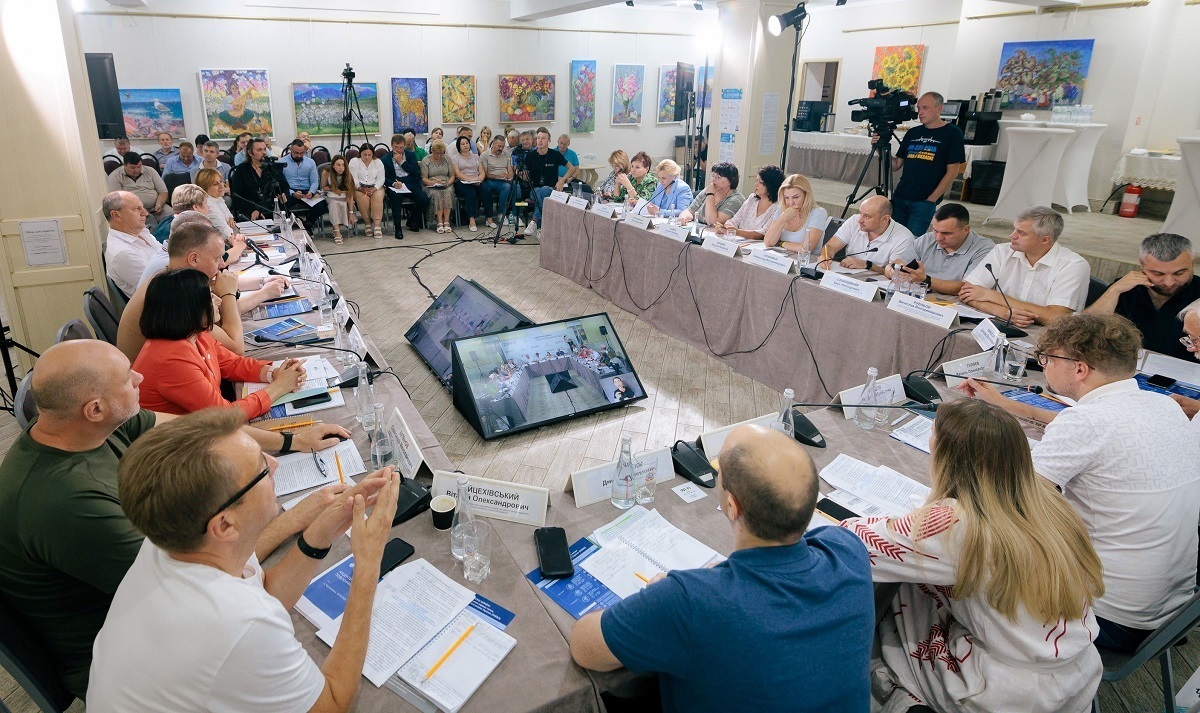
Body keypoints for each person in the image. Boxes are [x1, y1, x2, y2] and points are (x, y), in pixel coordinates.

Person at [0, 341, 350, 699]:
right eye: (127, 377)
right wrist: (295, 519)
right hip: (131, 658)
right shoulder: (68, 505)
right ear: (95, 409)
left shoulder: (87, 425)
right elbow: (200, 567)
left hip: (157, 601)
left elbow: (202, 431)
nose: (139, 377)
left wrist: (290, 441)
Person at [87, 409, 399, 711]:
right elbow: (332, 704)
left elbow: (263, 590)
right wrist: (368, 564)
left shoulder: (173, 538)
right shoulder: (239, 622)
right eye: (261, 469)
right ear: (224, 525)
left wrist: (319, 534)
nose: (274, 465)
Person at [569, 424, 873, 712]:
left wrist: (657, 600)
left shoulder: (686, 601)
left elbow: (584, 646)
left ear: (731, 506)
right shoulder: (848, 551)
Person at [957, 313, 1200, 653]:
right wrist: (1004, 404)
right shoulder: (1165, 406)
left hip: (1109, 616)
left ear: (1080, 369)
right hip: (1173, 614)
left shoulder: (1085, 422)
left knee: (961, 572)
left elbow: (1012, 505)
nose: (1044, 367)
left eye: (1047, 359)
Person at [842, 398, 1103, 712]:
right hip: (1078, 673)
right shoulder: (1048, 499)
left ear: (945, 457)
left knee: (897, 591)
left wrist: (910, 521)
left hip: (1006, 691)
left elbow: (855, 542)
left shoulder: (959, 524)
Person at [133, 268, 305, 418]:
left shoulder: (196, 333)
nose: (218, 300)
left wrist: (274, 373)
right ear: (188, 308)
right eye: (210, 296)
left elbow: (233, 364)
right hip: (179, 442)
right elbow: (224, 416)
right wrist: (279, 387)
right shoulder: (172, 359)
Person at [118, 220, 283, 361]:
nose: (222, 264)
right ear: (194, 259)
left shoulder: (172, 277)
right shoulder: (176, 293)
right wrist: (228, 294)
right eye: (217, 258)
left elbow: (222, 314)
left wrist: (264, 292)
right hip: (154, 383)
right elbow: (235, 349)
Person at [960, 206, 1090, 326]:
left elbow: (1057, 318)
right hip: (1001, 322)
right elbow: (966, 292)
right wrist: (1003, 312)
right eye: (1014, 229)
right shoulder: (1002, 251)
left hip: (1047, 334)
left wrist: (992, 296)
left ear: (1045, 240)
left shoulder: (1073, 265)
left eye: (1021, 233)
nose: (1012, 236)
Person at [1086, 232, 1200, 359]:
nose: (1169, 282)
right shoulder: (1126, 289)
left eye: (1179, 273)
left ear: (1192, 263)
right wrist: (1114, 291)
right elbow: (1085, 331)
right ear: (1142, 264)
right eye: (1158, 274)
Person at [887, 91, 966, 235]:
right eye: (919, 108)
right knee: (893, 238)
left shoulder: (952, 133)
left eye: (925, 108)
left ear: (939, 108)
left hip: (924, 201)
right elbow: (895, 165)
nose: (920, 112)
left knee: (913, 241)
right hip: (901, 196)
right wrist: (881, 148)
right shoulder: (913, 133)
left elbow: (953, 171)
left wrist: (932, 199)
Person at [883, 202, 993, 295]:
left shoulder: (984, 249)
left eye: (946, 233)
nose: (938, 238)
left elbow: (968, 288)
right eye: (935, 230)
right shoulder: (927, 239)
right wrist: (895, 272)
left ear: (966, 230)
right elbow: (894, 265)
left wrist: (925, 280)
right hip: (920, 297)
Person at [818, 195, 913, 272]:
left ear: (885, 219)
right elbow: (830, 246)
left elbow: (895, 273)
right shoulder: (854, 221)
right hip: (846, 278)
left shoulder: (903, 238)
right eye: (861, 213)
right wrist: (825, 256)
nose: (860, 220)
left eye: (867, 216)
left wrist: (867, 265)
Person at [103, 190, 160, 297]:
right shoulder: (123, 253)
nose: (145, 213)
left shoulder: (141, 232)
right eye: (136, 209)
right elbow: (160, 286)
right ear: (116, 215)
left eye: (142, 207)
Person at [523, 127, 578, 237]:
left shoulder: (555, 154)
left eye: (543, 138)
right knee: (539, 192)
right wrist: (521, 174)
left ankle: (535, 221)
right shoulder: (530, 156)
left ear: (549, 141)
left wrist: (562, 180)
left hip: (552, 189)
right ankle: (540, 227)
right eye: (538, 138)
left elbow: (572, 168)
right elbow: (524, 176)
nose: (540, 140)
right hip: (534, 189)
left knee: (543, 190)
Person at [762, 173, 828, 252]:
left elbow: (806, 248)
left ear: (806, 195)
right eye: (786, 198)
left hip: (805, 259)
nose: (791, 203)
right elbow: (768, 242)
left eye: (795, 197)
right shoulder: (781, 208)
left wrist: (781, 243)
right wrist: (783, 218)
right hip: (781, 257)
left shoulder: (818, 212)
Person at [716, 165, 784, 240]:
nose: (756, 185)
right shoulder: (752, 198)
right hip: (739, 242)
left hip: (757, 246)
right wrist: (725, 228)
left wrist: (737, 232)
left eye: (761, 182)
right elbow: (734, 220)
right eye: (756, 181)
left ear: (772, 185)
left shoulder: (778, 206)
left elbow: (764, 233)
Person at [106, 152, 172, 229]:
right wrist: (138, 209)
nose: (137, 170)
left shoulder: (150, 171)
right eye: (133, 168)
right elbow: (116, 200)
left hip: (156, 207)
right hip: (133, 210)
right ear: (124, 165)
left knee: (173, 216)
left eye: (139, 166)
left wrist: (159, 205)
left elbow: (163, 191)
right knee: (147, 227)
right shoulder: (115, 176)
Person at [229, 138, 287, 222]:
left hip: (273, 208)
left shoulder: (272, 167)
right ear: (250, 153)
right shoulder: (242, 169)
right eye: (259, 150)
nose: (264, 153)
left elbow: (284, 187)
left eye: (264, 149)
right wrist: (251, 210)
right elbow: (237, 196)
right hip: (251, 209)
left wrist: (283, 195)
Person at [382, 132, 428, 236]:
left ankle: (412, 220)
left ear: (405, 146)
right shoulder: (385, 159)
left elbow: (415, 171)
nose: (399, 150)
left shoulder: (410, 155)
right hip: (395, 185)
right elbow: (384, 178)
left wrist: (402, 162)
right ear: (391, 145)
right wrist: (393, 183)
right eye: (396, 147)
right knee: (396, 199)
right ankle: (398, 227)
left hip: (410, 184)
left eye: (401, 147)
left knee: (424, 199)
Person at [280, 138, 327, 232]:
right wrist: (293, 193)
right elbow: (281, 183)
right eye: (296, 153)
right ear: (291, 150)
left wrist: (311, 192)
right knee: (282, 203)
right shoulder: (281, 162)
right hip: (289, 191)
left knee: (322, 205)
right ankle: (297, 222)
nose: (299, 155)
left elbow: (314, 181)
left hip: (306, 191)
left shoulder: (310, 162)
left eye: (301, 153)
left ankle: (307, 224)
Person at [678, 161, 744, 227]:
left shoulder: (736, 200)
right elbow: (690, 211)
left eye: (718, 177)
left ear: (730, 181)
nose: (713, 180)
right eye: (713, 176)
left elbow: (712, 222)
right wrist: (683, 217)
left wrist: (710, 195)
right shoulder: (707, 190)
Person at [349, 143, 386, 238]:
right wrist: (361, 188)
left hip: (376, 187)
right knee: (363, 199)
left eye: (369, 155)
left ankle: (377, 225)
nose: (367, 157)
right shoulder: (354, 162)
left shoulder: (378, 162)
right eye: (364, 155)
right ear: (360, 153)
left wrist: (374, 188)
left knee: (377, 197)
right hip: (359, 188)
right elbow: (353, 179)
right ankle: (368, 223)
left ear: (373, 155)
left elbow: (381, 179)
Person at [451, 135, 486, 232]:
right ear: (459, 146)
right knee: (471, 193)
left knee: (486, 190)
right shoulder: (455, 158)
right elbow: (458, 174)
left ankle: (489, 218)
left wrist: (480, 179)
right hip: (462, 182)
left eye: (467, 143)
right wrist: (471, 180)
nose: (465, 145)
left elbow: (482, 171)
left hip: (476, 180)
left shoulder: (476, 156)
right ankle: (472, 220)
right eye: (463, 144)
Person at [421, 139, 456, 234]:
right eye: (437, 153)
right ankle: (440, 221)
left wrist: (447, 183)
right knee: (437, 193)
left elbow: (452, 176)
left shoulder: (447, 159)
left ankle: (447, 221)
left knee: (448, 192)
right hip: (431, 184)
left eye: (441, 153)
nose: (439, 155)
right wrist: (433, 183)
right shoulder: (426, 160)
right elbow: (424, 178)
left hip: (446, 183)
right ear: (432, 151)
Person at [320, 155, 356, 244]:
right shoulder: (326, 172)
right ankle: (337, 231)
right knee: (333, 204)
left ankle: (335, 228)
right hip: (331, 195)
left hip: (344, 197)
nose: (341, 168)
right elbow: (324, 187)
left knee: (344, 204)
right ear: (333, 166)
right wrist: (333, 189)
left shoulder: (348, 174)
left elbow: (350, 193)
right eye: (338, 165)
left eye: (343, 165)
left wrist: (351, 213)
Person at [480, 135, 514, 228]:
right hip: (490, 180)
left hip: (504, 180)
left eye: (502, 146)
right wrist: (497, 176)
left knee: (516, 186)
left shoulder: (507, 154)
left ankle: (514, 214)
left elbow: (510, 170)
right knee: (506, 187)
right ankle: (501, 213)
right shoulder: (484, 155)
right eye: (499, 146)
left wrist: (509, 176)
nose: (501, 149)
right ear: (493, 144)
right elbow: (485, 174)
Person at [195, 167, 238, 239]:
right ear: (204, 187)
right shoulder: (207, 204)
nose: (221, 186)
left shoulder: (217, 198)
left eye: (221, 181)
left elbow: (230, 218)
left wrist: (230, 220)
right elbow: (224, 231)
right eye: (215, 184)